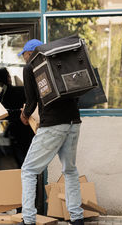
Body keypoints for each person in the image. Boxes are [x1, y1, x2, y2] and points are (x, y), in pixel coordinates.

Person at [18, 39, 84, 225]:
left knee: (29, 170)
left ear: (30, 53)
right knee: (70, 170)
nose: (23, 58)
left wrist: (24, 115)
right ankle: (77, 218)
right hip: (73, 121)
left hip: (53, 124)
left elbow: (31, 101)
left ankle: (29, 219)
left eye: (23, 54)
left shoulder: (30, 67)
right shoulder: (58, 62)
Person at [0, 68, 34, 167]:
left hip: (18, 127)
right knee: (24, 154)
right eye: (8, 75)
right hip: (24, 126)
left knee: (21, 155)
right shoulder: (12, 91)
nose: (10, 78)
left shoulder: (4, 92)